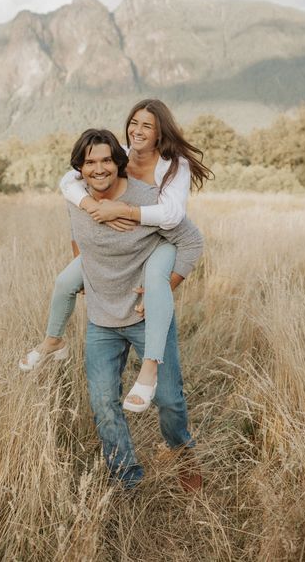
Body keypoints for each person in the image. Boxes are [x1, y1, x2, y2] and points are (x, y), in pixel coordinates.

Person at [19, 99, 211, 412]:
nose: (137, 130)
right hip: (116, 248)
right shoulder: (116, 155)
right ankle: (54, 341)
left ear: (160, 132)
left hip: (158, 239)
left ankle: (150, 369)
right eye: (134, 123)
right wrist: (90, 206)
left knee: (155, 280)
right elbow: (69, 180)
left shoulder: (173, 165)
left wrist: (125, 211)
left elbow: (174, 215)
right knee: (65, 281)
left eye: (147, 125)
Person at [64, 128, 204, 489]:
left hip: (146, 317)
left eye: (106, 160)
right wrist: (86, 281)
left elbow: (191, 240)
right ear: (80, 168)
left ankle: (182, 454)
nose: (99, 169)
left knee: (170, 399)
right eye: (90, 162)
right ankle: (127, 479)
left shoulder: (146, 199)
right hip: (101, 321)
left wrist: (164, 290)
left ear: (119, 162)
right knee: (103, 404)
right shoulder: (76, 199)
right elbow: (77, 240)